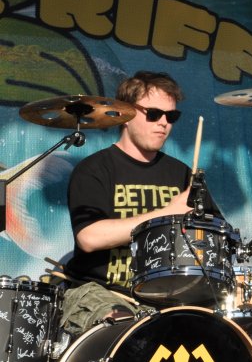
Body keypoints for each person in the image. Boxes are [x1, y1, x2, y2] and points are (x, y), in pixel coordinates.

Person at [61, 71, 219, 336]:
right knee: (128, 330)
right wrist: (167, 214)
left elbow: (215, 240)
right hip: (102, 292)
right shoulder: (94, 169)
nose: (164, 123)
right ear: (126, 113)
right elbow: (89, 237)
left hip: (166, 298)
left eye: (171, 116)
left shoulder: (183, 174)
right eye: (154, 114)